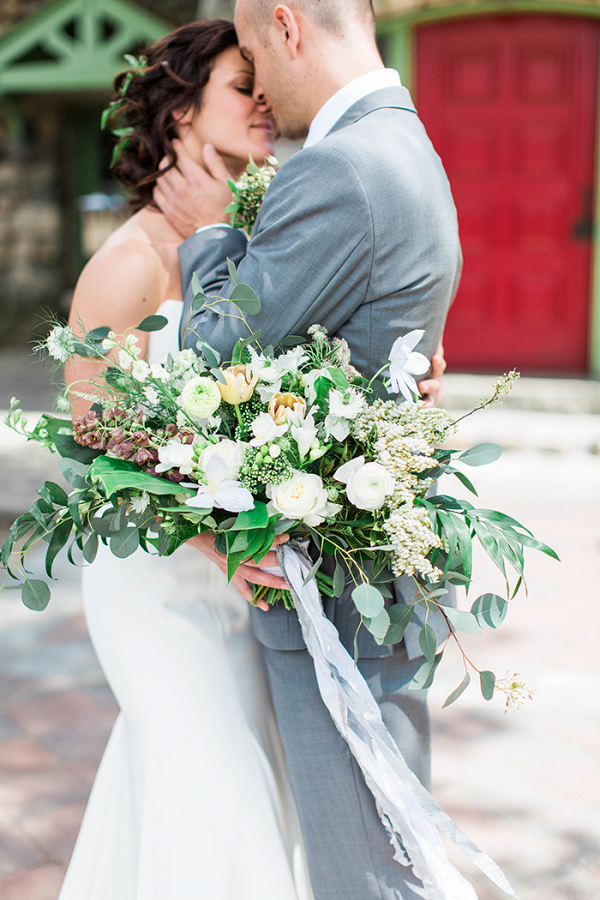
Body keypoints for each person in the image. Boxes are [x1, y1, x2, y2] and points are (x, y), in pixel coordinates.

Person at [152, 2, 462, 898]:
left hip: (334, 596)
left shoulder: (340, 166)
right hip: (363, 576)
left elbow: (208, 356)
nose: (259, 84)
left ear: (286, 25)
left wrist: (211, 233)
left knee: (363, 872)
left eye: (253, 53)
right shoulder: (406, 143)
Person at [60, 21, 312, 900]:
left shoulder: (254, 239)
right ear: (180, 113)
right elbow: (97, 444)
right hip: (154, 582)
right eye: (245, 85)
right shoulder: (127, 265)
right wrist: (219, 542)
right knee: (213, 785)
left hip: (237, 585)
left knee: (186, 780)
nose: (266, 102)